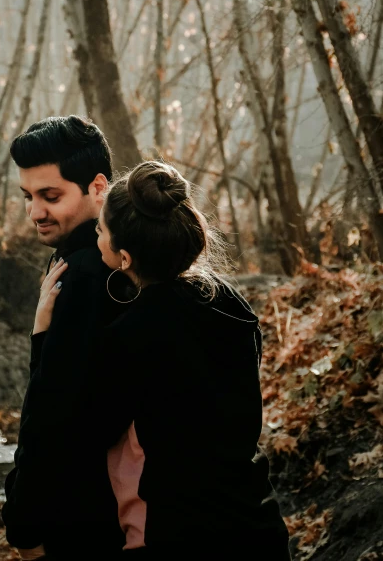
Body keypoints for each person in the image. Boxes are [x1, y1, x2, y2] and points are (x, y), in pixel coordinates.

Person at [91, 160, 291, 559]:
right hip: (258, 522)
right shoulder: (231, 304)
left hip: (187, 536)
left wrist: (44, 337)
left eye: (100, 230)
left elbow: (94, 427)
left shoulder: (130, 335)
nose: (96, 237)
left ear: (125, 257)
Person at [2, 115, 129, 560]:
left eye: (49, 196)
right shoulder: (115, 262)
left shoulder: (85, 277)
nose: (35, 212)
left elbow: (53, 415)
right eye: (27, 197)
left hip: (84, 523)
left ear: (97, 188)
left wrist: (23, 523)